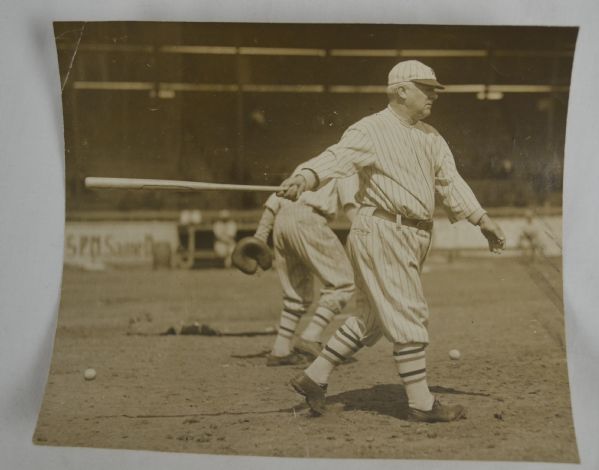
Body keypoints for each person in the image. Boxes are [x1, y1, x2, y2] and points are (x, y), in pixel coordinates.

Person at [278, 60, 506, 422]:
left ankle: (314, 376)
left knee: (370, 321)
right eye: (426, 87)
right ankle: (421, 403)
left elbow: (450, 181)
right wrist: (305, 176)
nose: (434, 94)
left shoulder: (431, 136)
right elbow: (336, 158)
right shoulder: (370, 129)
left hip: (410, 234)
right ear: (401, 90)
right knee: (409, 313)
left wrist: (482, 219)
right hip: (384, 228)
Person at [253, 175, 359, 366]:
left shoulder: (307, 167)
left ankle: (281, 349)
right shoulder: (348, 165)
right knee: (343, 282)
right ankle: (311, 336)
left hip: (282, 220)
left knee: (296, 291)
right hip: (308, 218)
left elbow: (273, 202)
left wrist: (260, 237)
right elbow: (351, 207)